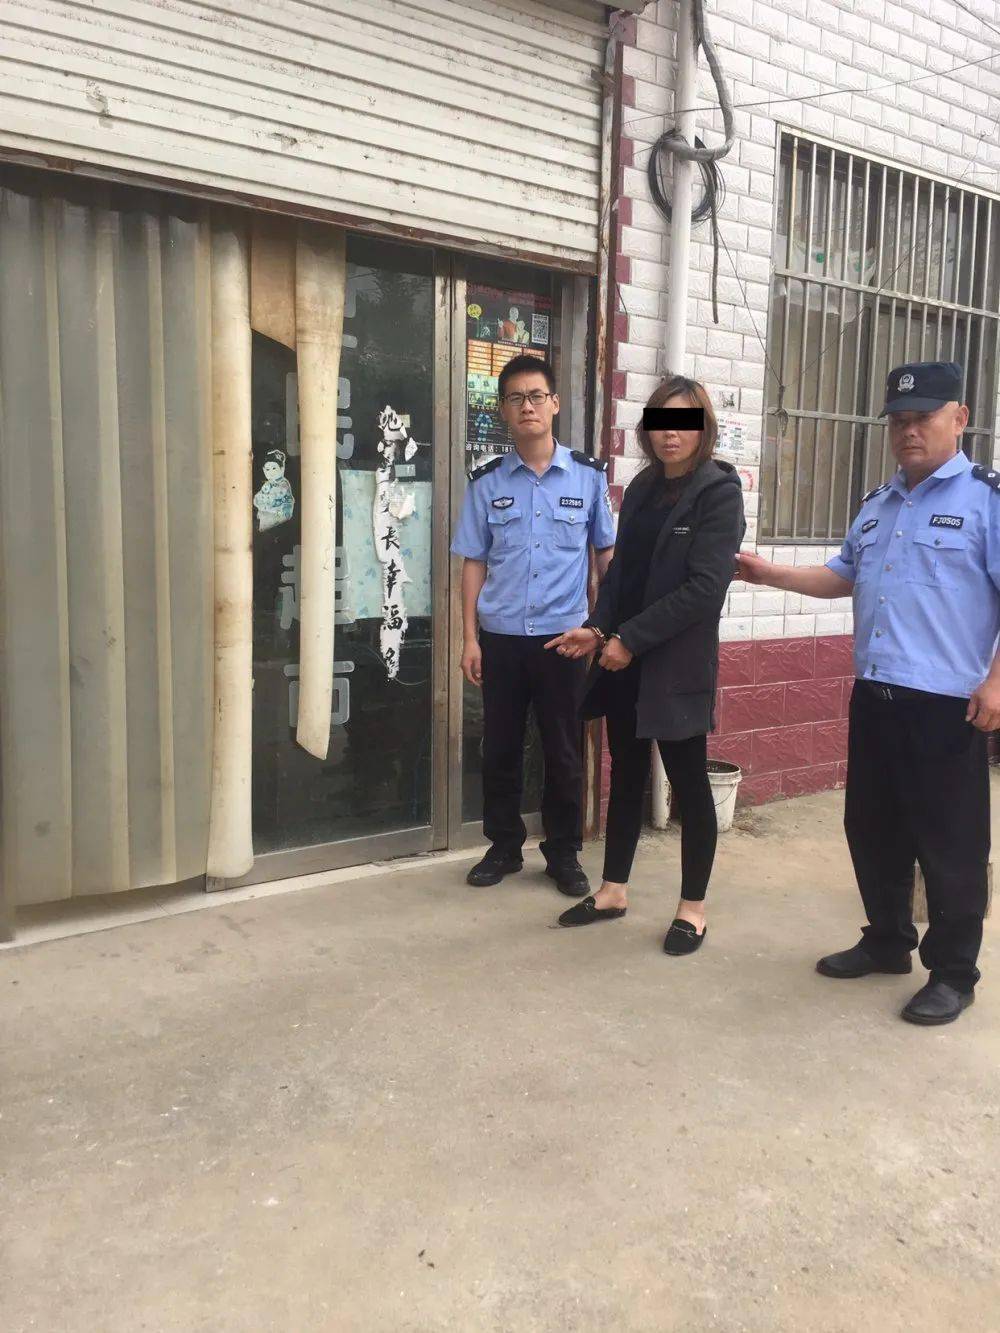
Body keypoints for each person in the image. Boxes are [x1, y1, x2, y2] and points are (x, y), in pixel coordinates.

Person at [738, 360, 1000, 1026]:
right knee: (874, 828)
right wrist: (769, 574)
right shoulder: (878, 504)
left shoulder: (987, 502)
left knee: (949, 843)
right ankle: (887, 940)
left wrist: (998, 681)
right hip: (876, 694)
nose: (909, 431)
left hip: (947, 704)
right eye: (898, 420)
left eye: (923, 418)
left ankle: (953, 973)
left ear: (960, 418)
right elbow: (842, 576)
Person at [546, 376, 745, 951]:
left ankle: (692, 909)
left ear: (703, 428)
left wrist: (630, 638)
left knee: (688, 783)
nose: (669, 435)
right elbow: (620, 575)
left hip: (675, 663)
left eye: (683, 422)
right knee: (627, 775)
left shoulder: (718, 492)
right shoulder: (640, 488)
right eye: (660, 422)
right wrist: (598, 629)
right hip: (623, 658)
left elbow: (705, 589)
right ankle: (613, 890)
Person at [452, 354, 616, 895]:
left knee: (563, 750)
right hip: (500, 639)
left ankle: (563, 852)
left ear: (555, 404)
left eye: (537, 396)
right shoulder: (486, 482)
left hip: (563, 640)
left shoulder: (588, 477)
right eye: (516, 398)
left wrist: (601, 627)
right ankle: (503, 847)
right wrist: (469, 638)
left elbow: (606, 557)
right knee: (499, 747)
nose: (528, 406)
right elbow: (473, 561)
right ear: (503, 410)